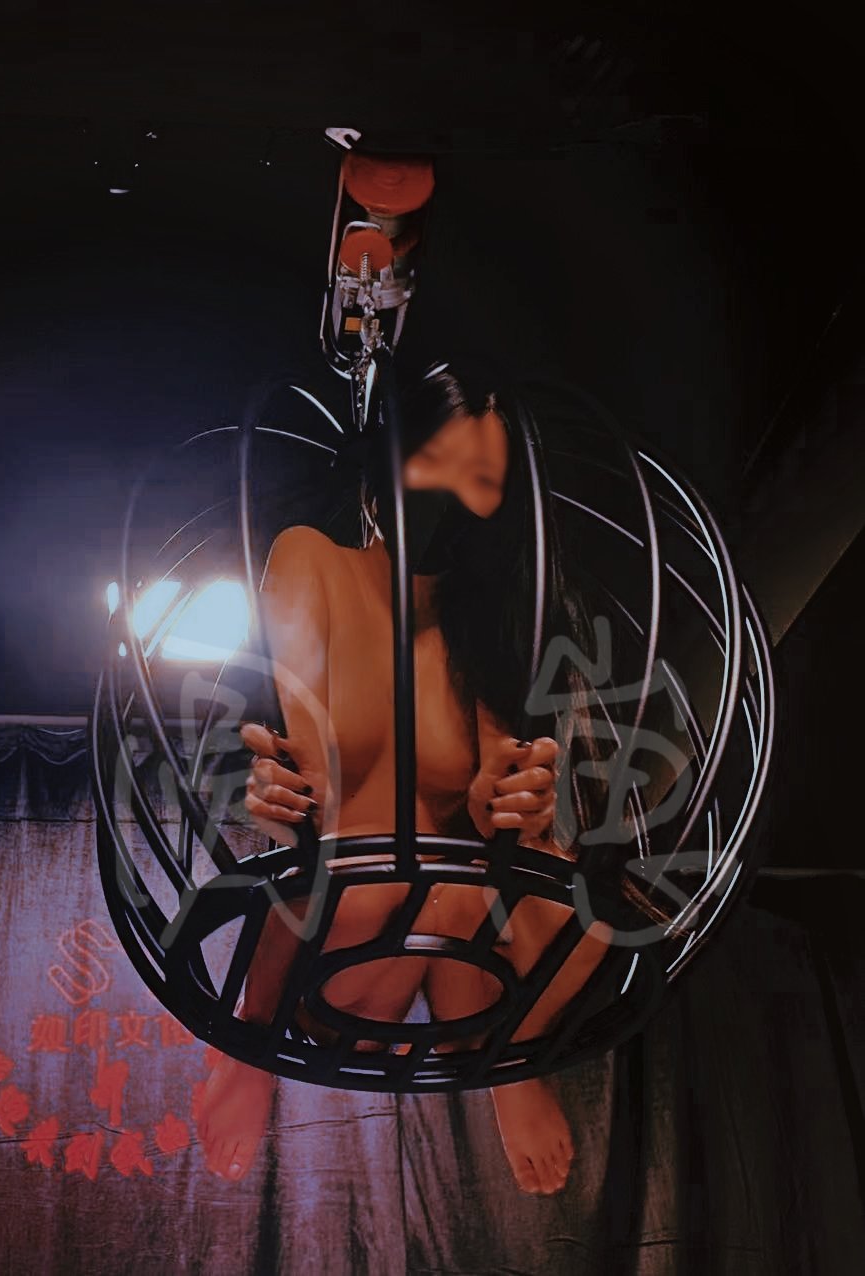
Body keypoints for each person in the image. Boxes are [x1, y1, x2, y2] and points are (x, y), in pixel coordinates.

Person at [195, 364, 617, 1196]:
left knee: (583, 911)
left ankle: (508, 1062)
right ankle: (250, 1040)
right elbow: (309, 767)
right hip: (350, 932)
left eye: (483, 477)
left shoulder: (487, 627)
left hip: (463, 928)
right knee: (373, 874)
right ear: (392, 457)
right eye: (438, 460)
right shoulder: (312, 562)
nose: (454, 493)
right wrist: (278, 785)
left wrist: (520, 798)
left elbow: (494, 795)